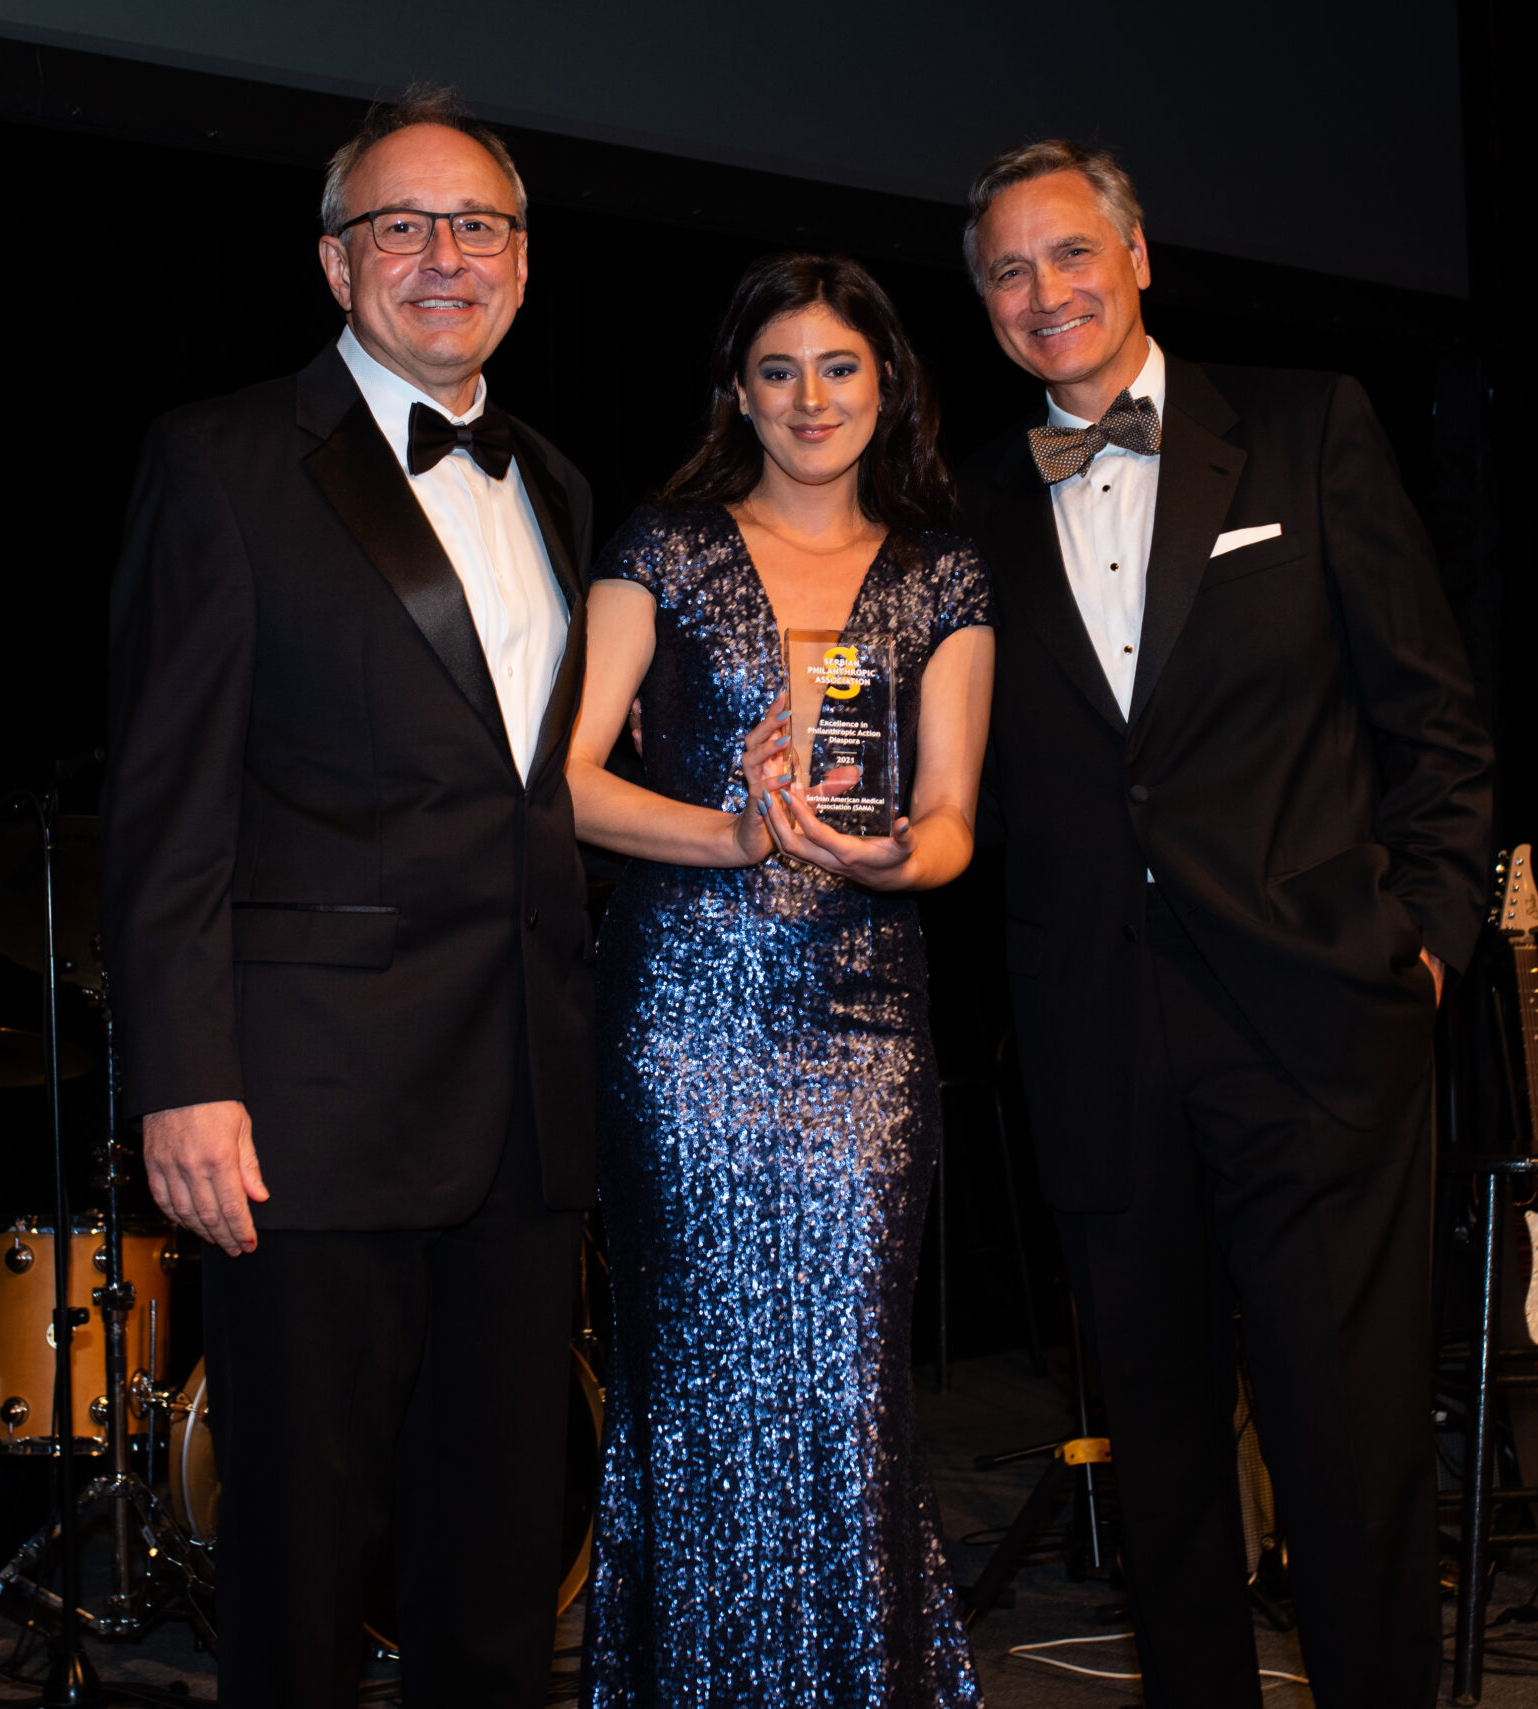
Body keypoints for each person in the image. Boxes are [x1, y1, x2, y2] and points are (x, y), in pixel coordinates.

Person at [956, 141, 1497, 1706]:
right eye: (1007, 270)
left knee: (1352, 1450)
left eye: (1069, 254)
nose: (1043, 292)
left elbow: (1437, 723)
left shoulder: (1309, 427)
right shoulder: (973, 505)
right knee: (1166, 1464)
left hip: (1319, 1023)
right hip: (1099, 1039)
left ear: (1139, 256)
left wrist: (1426, 946)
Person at [101, 89, 595, 1709]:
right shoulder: (225, 460)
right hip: (307, 1111)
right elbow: (168, 802)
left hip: (524, 1112)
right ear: (334, 262)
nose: (445, 257)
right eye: (402, 224)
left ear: (524, 265)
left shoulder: (563, 488)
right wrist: (183, 1075)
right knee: (303, 1564)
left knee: (499, 1558)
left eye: (480, 228)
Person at [564, 253, 993, 1708]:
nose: (811, 400)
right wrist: (737, 830)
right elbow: (564, 787)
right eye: (779, 371)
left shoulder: (945, 573)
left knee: (847, 1387)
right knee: (693, 1387)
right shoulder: (664, 548)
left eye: (840, 368)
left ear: (890, 384)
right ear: (737, 392)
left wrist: (877, 862)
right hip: (683, 1022)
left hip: (863, 1028)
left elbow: (946, 826)